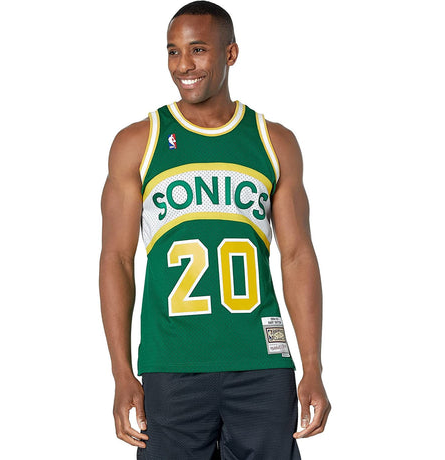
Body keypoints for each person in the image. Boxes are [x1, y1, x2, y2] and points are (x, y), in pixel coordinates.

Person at [99, 1, 331, 458]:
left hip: (262, 363)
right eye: (173, 51)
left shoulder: (273, 141)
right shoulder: (138, 142)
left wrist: (313, 366)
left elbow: (297, 256)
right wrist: (121, 372)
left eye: (198, 49)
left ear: (231, 53)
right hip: (172, 365)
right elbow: (117, 259)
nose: (183, 65)